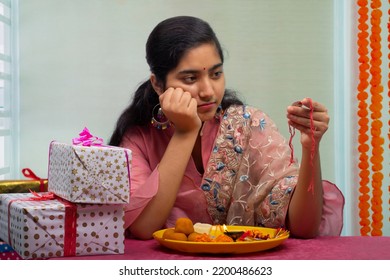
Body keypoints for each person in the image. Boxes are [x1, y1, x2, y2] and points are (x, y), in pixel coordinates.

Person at [109, 16, 344, 240]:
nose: (208, 91)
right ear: (158, 84)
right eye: (190, 78)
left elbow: (305, 227)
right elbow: (143, 227)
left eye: (216, 74)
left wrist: (311, 146)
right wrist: (186, 132)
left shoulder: (249, 126)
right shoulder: (138, 136)